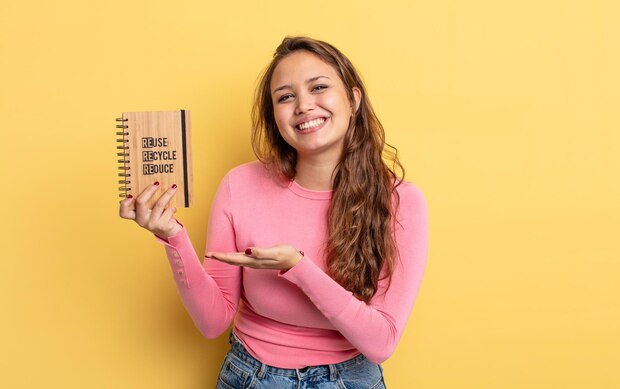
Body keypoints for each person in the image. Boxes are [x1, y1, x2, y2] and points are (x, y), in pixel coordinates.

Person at [119, 36, 428, 388]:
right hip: (250, 376)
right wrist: (172, 235)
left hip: (350, 379)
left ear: (353, 99)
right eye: (286, 96)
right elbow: (212, 321)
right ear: (275, 117)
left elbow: (381, 342)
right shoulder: (240, 185)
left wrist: (297, 268)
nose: (304, 106)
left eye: (319, 87)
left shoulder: (401, 202)